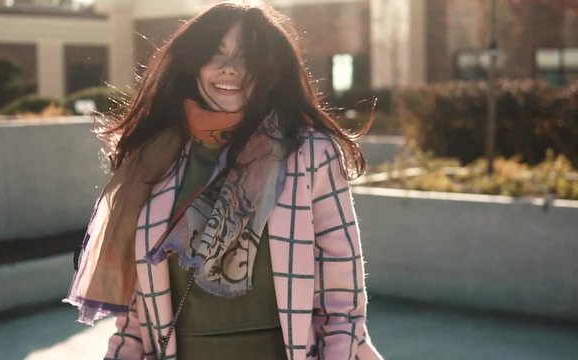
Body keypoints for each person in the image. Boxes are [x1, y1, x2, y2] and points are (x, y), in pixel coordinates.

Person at [64, 1, 383, 359]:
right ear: (194, 64)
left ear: (270, 73)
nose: (231, 70)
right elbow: (138, 317)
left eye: (248, 58)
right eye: (216, 54)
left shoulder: (310, 153)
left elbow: (344, 299)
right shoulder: (152, 160)